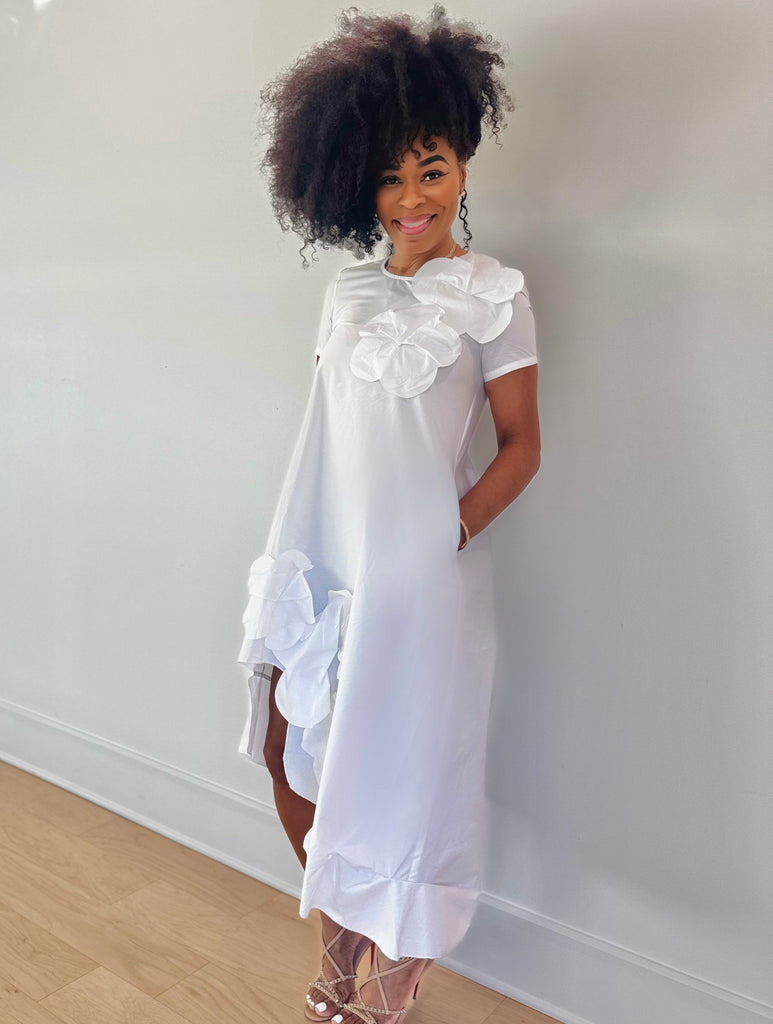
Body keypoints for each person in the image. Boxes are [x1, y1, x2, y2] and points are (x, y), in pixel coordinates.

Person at [237, 6, 541, 1022]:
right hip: (318, 554)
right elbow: (332, 435)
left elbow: (522, 444)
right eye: (388, 177)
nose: (412, 198)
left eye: (431, 169)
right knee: (292, 746)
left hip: (416, 578)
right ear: (351, 184)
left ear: (463, 165)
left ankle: (394, 968)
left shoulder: (493, 294)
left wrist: (441, 535)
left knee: (398, 771)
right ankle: (343, 937)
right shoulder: (348, 290)